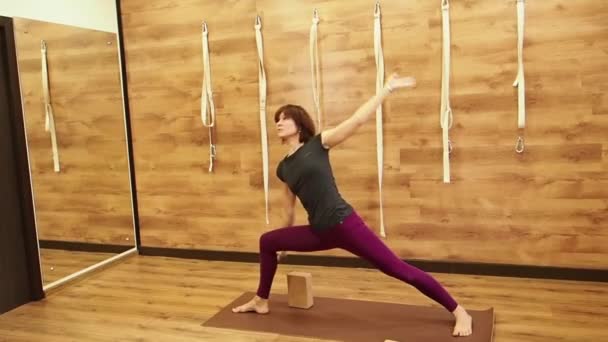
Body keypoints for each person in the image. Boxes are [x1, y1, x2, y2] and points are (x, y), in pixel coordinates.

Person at [232, 74, 473, 337]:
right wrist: (284, 244)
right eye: (276, 119)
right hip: (319, 231)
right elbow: (288, 209)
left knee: (397, 269)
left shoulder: (318, 144)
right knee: (267, 241)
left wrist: (386, 90)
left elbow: (357, 120)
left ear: (299, 123)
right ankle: (261, 300)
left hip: (345, 224)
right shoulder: (284, 167)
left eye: (284, 117)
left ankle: (459, 311)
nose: (278, 122)